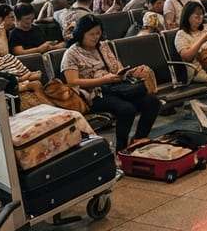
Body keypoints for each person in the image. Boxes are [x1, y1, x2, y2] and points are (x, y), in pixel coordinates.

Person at [59, 14, 159, 151]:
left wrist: (125, 73)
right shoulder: (71, 54)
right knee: (127, 109)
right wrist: (102, 80)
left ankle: (138, 140)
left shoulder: (103, 46)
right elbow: (72, 81)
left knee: (152, 102)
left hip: (114, 87)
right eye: (91, 34)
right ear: (81, 34)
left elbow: (116, 66)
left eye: (98, 33)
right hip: (93, 95)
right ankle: (121, 149)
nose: (96, 37)